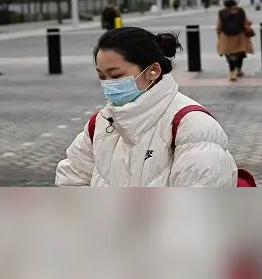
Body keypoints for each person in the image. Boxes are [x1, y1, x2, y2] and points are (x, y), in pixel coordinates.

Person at [55, 27, 239, 186]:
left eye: (116, 75)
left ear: (153, 71)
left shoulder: (193, 126)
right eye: (102, 77)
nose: (108, 84)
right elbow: (71, 179)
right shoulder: (101, 123)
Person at [217, 0, 254, 82]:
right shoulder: (240, 11)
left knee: (229, 54)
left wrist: (219, 34)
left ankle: (232, 73)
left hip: (226, 37)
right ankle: (238, 70)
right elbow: (245, 22)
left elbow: (219, 25)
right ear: (234, 5)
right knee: (240, 53)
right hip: (240, 36)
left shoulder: (222, 12)